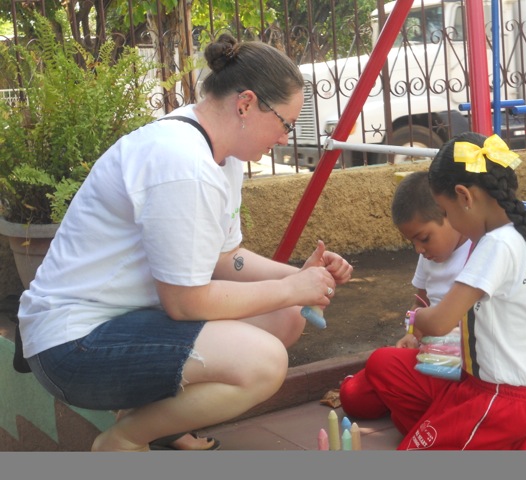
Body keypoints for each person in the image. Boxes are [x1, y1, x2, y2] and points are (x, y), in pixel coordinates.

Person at [17, 33, 353, 452]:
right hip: (74, 346)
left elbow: (225, 257)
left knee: (287, 316)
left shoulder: (216, 149)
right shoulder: (182, 163)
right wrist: (288, 288)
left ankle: (162, 422)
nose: (285, 137)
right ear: (246, 104)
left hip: (125, 323)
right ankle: (124, 439)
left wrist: (302, 277)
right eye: (285, 123)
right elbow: (185, 302)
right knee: (264, 363)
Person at [341, 132, 526, 450]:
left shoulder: (495, 245)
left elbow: (440, 322)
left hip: (497, 397)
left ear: (464, 196)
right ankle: (515, 441)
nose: (451, 223)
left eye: (446, 213)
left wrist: (416, 317)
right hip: (509, 391)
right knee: (410, 405)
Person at [339, 170, 472, 418]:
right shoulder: (428, 256)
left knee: (381, 364)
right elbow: (420, 301)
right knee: (354, 397)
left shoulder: (481, 252)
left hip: (463, 366)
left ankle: (419, 405)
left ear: (450, 213)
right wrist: (412, 334)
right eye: (413, 242)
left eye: (424, 238)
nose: (419, 249)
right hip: (430, 357)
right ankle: (412, 400)